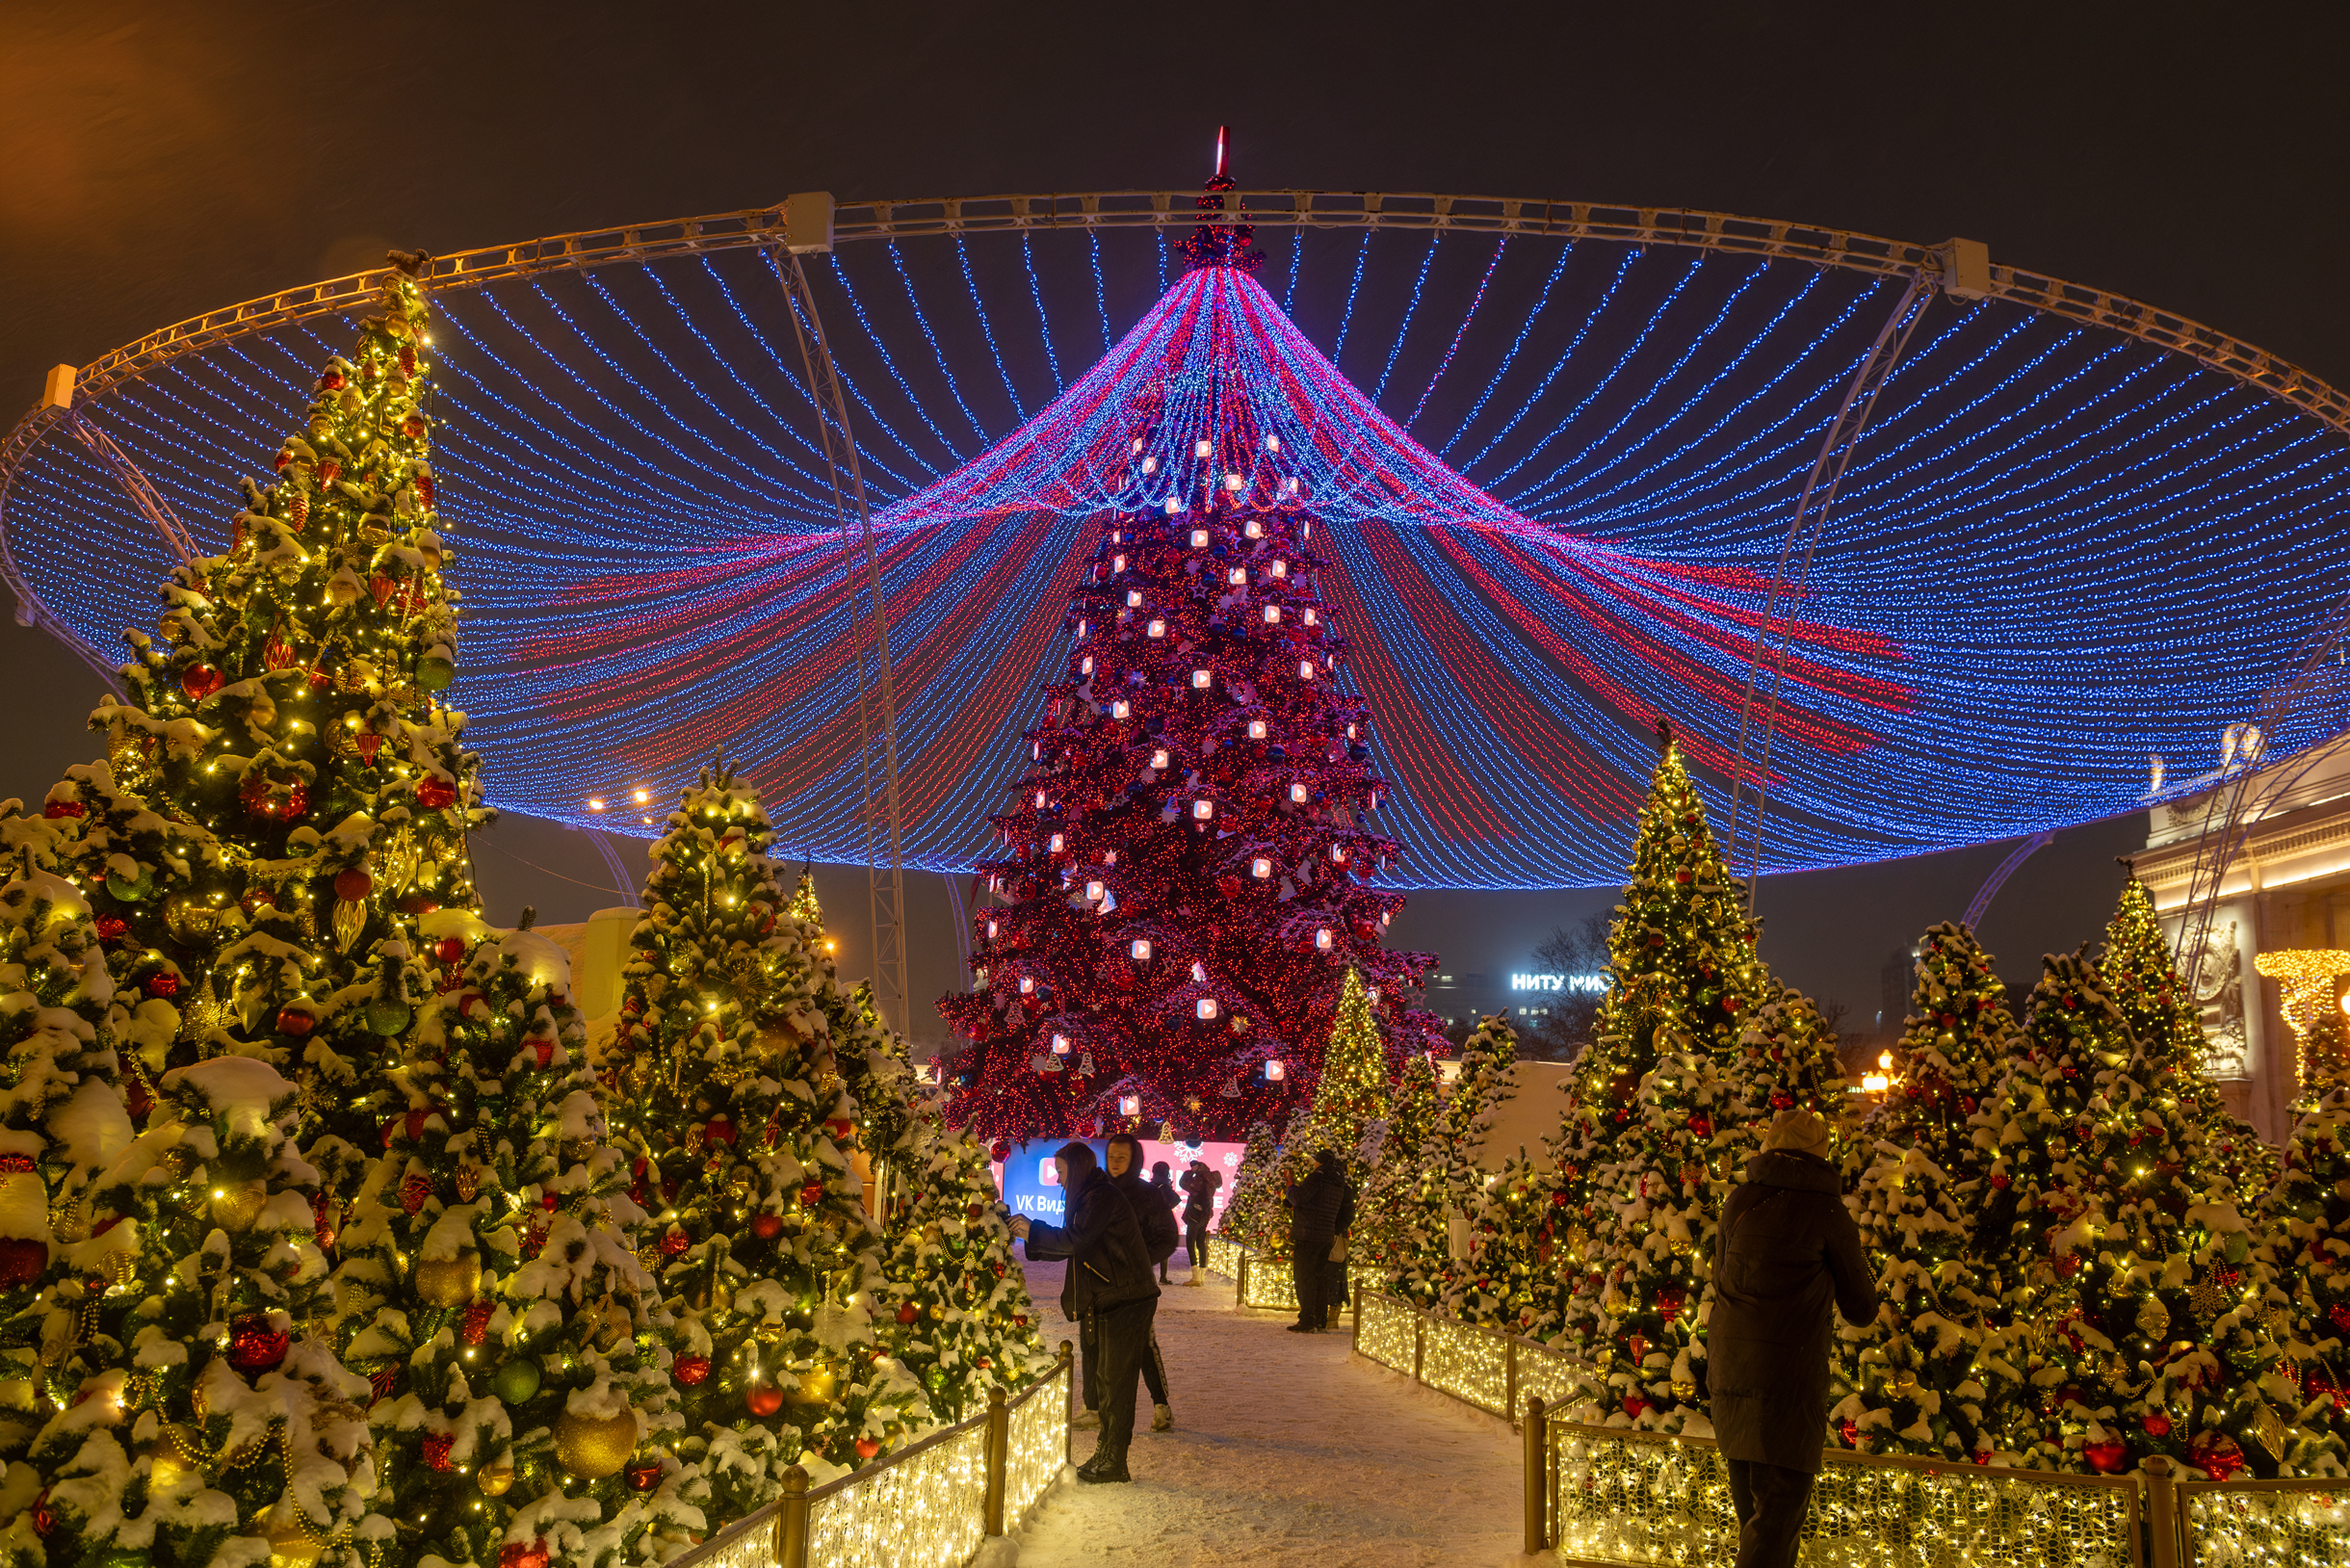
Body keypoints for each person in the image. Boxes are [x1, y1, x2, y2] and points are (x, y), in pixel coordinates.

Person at [1707, 1109, 1879, 1568]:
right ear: (1822, 1154)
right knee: (1777, 1521)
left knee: (1757, 1523)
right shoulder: (1827, 1212)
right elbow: (1861, 1310)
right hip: (1788, 1380)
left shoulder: (1740, 1200)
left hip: (1728, 1367)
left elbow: (1719, 1275)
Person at [1010, 1141, 1160, 1483]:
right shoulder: (1091, 1195)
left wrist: (1032, 1230)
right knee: (1108, 1381)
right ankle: (1107, 1453)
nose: (1059, 1180)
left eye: (1061, 1172)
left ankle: (1114, 1460)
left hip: (1126, 1298)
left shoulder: (1100, 1196)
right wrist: (1032, 1236)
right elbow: (1074, 1246)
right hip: (1112, 1296)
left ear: (1075, 1169)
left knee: (1116, 1383)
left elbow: (1075, 1241)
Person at [1107, 1134, 1180, 1431]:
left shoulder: (1148, 1194)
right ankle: (1095, 1407)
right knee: (1098, 1345)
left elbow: (1169, 1237)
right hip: (1102, 1284)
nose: (1116, 1163)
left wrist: (1139, 1261)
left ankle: (1161, 1404)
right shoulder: (1099, 1189)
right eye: (1112, 1156)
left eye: (1122, 1158)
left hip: (1137, 1286)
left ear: (1135, 1160)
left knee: (1142, 1346)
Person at [1284, 1149, 1353, 1333]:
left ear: (1319, 1163)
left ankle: (1307, 1319)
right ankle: (1320, 1319)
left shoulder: (1318, 1177)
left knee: (1303, 1278)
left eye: (1315, 1161)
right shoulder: (1339, 1183)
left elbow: (1298, 1198)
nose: (1313, 1164)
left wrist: (1290, 1186)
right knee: (1319, 1278)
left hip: (1308, 1235)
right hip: (1325, 1237)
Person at [1179, 1158, 1221, 1286]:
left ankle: (1196, 1277)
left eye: (1193, 1167)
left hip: (1195, 1212)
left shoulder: (1198, 1179)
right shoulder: (1211, 1177)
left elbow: (1183, 1184)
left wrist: (1187, 1173)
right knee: (1201, 1242)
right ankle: (1201, 1276)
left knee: (1190, 1242)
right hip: (1206, 1213)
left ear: (1197, 1167)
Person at [1146, 1161, 1182, 1283]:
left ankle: (1148, 1276)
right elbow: (1176, 1199)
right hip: (1161, 1220)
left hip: (1148, 1219)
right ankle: (1163, 1276)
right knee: (1162, 1247)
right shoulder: (1165, 1185)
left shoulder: (1151, 1185)